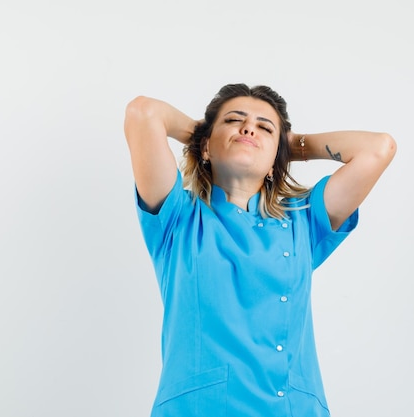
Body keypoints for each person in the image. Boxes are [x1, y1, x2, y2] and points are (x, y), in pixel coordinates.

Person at [123, 83, 396, 417]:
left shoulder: (303, 222)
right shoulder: (178, 218)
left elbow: (379, 149)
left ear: (275, 163)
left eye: (264, 127)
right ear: (204, 147)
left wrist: (291, 146)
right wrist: (211, 136)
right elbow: (143, 113)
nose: (249, 128)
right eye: (234, 120)